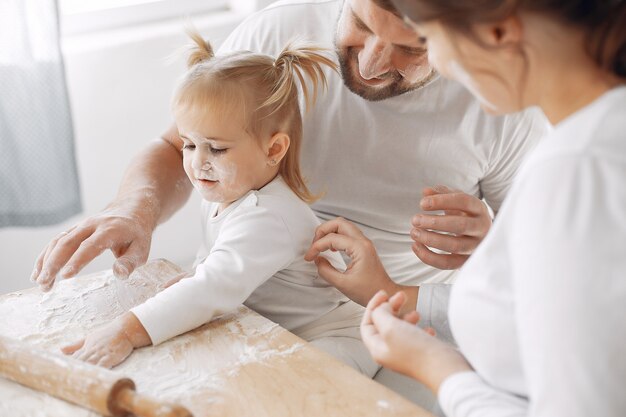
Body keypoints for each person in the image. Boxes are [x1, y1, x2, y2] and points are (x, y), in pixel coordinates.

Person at [316, 0, 625, 416]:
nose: (442, 66)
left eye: (426, 39)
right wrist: (399, 296)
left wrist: (437, 368)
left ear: (498, 33)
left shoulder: (575, 172)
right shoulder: (594, 139)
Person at [60, 33, 378, 377]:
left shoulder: (269, 217)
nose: (198, 163)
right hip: (276, 328)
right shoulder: (225, 189)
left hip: (335, 337)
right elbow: (215, 260)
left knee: (294, 387)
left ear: (273, 149)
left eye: (216, 148)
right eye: (189, 145)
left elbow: (213, 289)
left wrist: (127, 330)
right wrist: (195, 274)